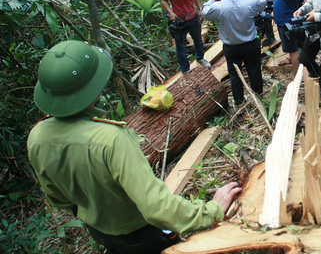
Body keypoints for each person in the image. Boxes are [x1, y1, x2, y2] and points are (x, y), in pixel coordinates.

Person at [27, 40, 242, 254]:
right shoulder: (110, 139)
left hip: (99, 232)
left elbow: (58, 198)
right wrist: (212, 211)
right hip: (142, 235)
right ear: (94, 89)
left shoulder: (36, 136)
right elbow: (157, 208)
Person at [202, 0, 267, 106]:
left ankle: (239, 101)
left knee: (235, 75)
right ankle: (258, 98)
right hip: (250, 44)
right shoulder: (249, 2)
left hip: (231, 48)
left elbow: (205, 12)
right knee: (254, 71)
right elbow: (263, 1)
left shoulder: (218, 7)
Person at [162, 0, 211, 73]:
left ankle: (200, 58)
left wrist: (200, 9)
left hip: (193, 16)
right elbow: (164, 0)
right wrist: (170, 12)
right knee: (180, 47)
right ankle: (185, 69)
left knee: (198, 40)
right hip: (179, 20)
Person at [259, 0, 301, 76]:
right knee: (289, 45)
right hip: (283, 19)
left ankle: (297, 77)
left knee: (293, 49)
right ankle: (289, 58)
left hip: (287, 20)